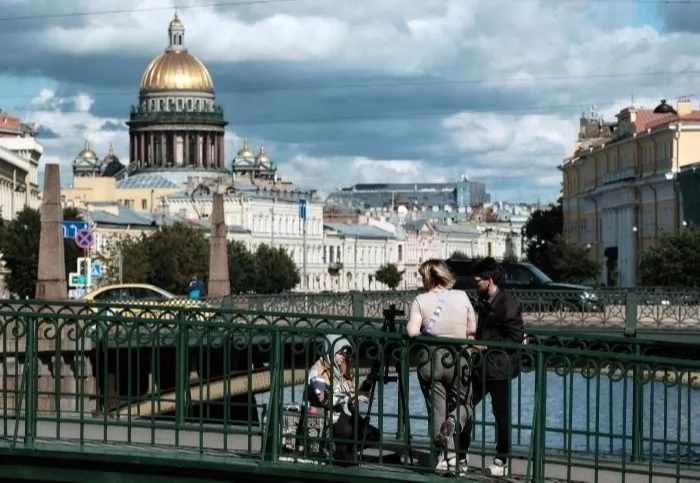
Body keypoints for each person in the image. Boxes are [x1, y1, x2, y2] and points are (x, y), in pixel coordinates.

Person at [405, 259, 477, 473]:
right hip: (459, 359)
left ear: (428, 278)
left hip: (431, 359)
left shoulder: (420, 300)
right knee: (466, 404)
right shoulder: (461, 296)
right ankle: (455, 420)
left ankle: (448, 459)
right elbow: (471, 328)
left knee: (437, 409)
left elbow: (412, 332)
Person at [458, 256, 524, 477]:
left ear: (489, 280)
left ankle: (501, 460)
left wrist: (487, 345)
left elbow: (515, 338)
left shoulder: (507, 303)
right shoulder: (486, 300)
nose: (475, 285)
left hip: (499, 366)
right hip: (483, 366)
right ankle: (461, 455)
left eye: (477, 281)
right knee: (465, 405)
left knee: (501, 414)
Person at [307, 334, 380, 462]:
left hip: (347, 414)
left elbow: (354, 392)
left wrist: (368, 381)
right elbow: (325, 400)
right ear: (330, 351)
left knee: (373, 435)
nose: (343, 357)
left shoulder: (341, 369)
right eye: (340, 353)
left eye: (345, 353)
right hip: (329, 419)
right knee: (349, 431)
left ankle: (346, 451)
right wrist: (352, 398)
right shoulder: (317, 372)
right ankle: (336, 449)